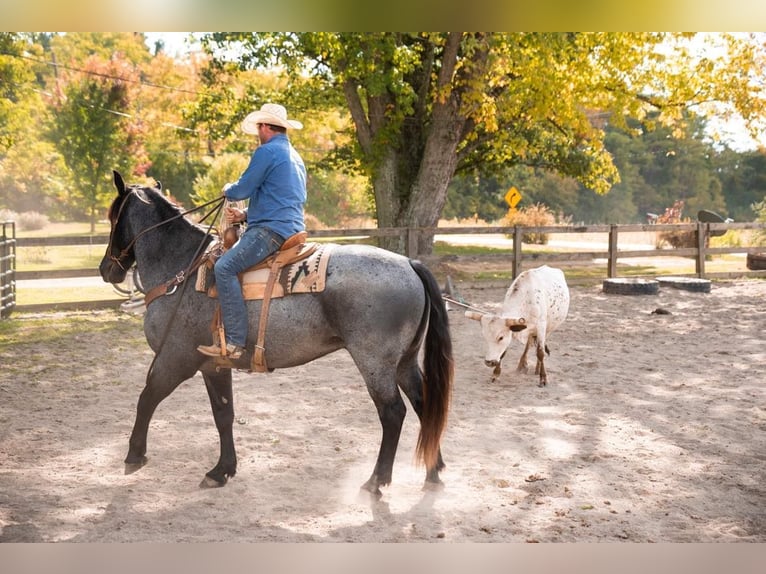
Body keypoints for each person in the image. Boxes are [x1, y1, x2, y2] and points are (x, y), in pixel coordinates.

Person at [198, 103, 306, 359]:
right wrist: (245, 215)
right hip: (290, 226)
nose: (258, 132)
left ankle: (234, 341)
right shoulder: (294, 155)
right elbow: (281, 197)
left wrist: (228, 189)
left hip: (270, 231)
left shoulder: (267, 152)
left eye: (259, 127)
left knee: (224, 268)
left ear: (266, 127)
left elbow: (242, 189)